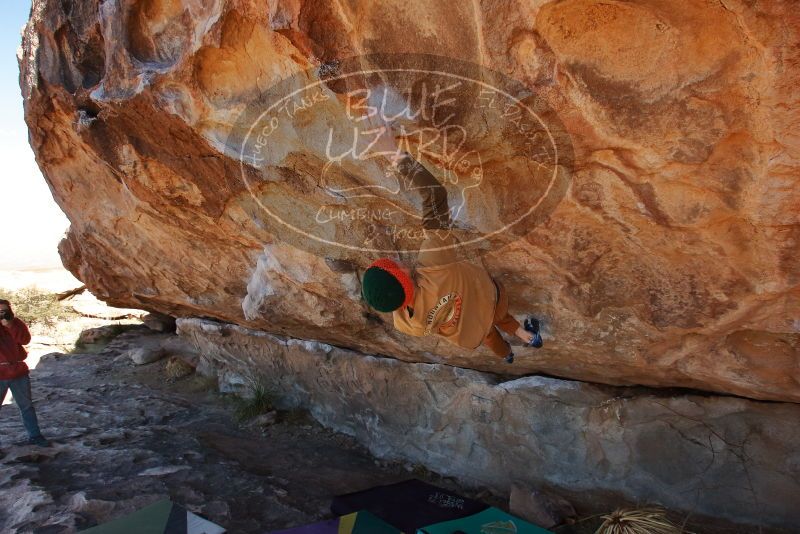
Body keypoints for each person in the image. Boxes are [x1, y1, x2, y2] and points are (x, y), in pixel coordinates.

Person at [361, 152, 538, 364]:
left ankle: (507, 355)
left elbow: (397, 304)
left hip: (470, 331)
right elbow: (435, 196)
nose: (394, 258)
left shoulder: (407, 324)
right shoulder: (433, 267)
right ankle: (529, 336)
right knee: (503, 318)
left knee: (490, 336)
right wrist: (395, 155)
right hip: (488, 299)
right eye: (394, 265)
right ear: (402, 278)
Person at [0, 299, 50, 447]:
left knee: (26, 406)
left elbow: (25, 340)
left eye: (4, 311)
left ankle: (35, 436)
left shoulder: (15, 323)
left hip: (17, 372)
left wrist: (9, 325)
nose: (2, 314)